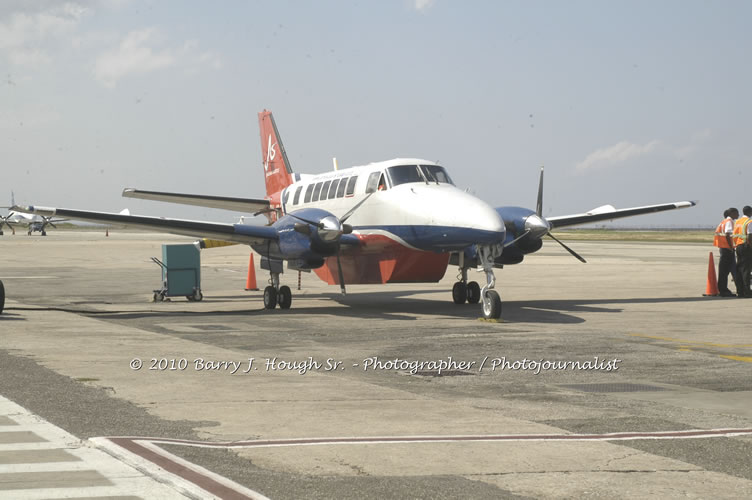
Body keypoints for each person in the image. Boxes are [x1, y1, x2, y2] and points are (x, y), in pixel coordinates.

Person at [714, 208, 741, 297]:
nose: (738, 215)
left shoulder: (724, 221)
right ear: (731, 213)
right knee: (725, 271)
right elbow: (728, 234)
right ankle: (724, 290)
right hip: (727, 249)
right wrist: (730, 247)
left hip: (724, 248)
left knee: (725, 271)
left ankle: (726, 289)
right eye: (736, 213)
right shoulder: (729, 222)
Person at [735, 206, 752, 297]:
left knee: (739, 269)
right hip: (746, 246)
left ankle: (740, 291)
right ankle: (747, 291)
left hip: (738, 246)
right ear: (750, 212)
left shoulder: (738, 221)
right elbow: (749, 236)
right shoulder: (749, 222)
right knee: (746, 269)